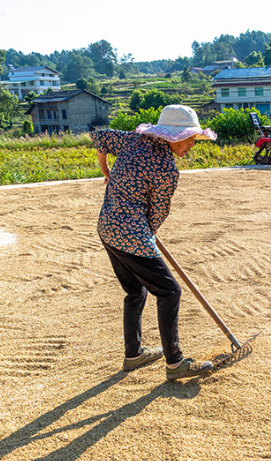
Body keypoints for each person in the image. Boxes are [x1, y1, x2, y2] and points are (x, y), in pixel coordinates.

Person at [91, 105, 218, 380]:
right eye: (190, 138)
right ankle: (175, 363)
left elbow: (99, 137)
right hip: (131, 235)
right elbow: (158, 212)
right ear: (173, 137)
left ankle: (133, 354)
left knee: (136, 292)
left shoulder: (131, 140)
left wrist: (105, 169)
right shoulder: (167, 170)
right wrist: (145, 232)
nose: (192, 145)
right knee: (170, 292)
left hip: (107, 228)